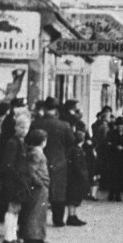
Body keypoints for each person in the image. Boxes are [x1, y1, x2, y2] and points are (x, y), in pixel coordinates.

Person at [31, 97, 76, 227]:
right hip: (59, 162)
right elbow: (70, 143)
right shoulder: (64, 125)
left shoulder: (36, 124)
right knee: (58, 193)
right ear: (56, 110)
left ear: (44, 109)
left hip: (39, 160)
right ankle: (58, 220)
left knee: (39, 190)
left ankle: (36, 220)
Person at [0, 109, 32, 243]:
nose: (24, 130)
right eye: (21, 127)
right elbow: (9, 164)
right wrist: (19, 178)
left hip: (19, 181)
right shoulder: (13, 143)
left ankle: (13, 236)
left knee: (16, 209)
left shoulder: (21, 142)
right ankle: (8, 237)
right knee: (12, 209)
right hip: (14, 182)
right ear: (15, 127)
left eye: (26, 127)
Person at [21, 128, 50, 243]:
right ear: (43, 141)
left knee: (39, 211)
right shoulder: (37, 153)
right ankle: (33, 237)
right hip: (39, 185)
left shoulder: (34, 151)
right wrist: (39, 182)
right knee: (36, 211)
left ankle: (37, 236)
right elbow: (31, 170)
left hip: (40, 184)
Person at [105, 117, 123, 201]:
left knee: (121, 176)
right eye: (119, 125)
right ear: (116, 126)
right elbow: (107, 144)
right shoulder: (111, 133)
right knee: (113, 176)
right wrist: (115, 146)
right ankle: (111, 193)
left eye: (122, 125)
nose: (120, 127)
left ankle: (118, 194)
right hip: (114, 158)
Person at [65, 131, 90, 226]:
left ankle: (72, 215)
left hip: (72, 177)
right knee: (73, 198)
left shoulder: (73, 149)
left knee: (73, 197)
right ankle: (71, 216)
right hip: (76, 178)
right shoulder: (77, 150)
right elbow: (78, 165)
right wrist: (83, 176)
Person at [92, 108, 112, 191]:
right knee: (104, 166)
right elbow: (104, 139)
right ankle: (104, 184)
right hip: (103, 149)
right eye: (109, 117)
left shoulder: (101, 126)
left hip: (99, 148)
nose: (110, 119)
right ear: (105, 118)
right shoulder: (104, 127)